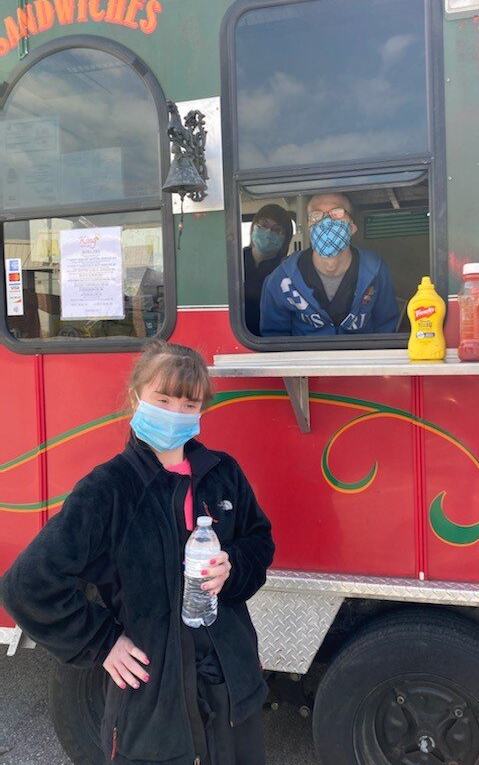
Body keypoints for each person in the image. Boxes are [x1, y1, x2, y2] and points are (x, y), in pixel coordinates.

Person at [1, 340, 274, 765]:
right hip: (152, 703)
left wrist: (233, 566)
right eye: (162, 400)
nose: (175, 413)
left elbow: (260, 541)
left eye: (188, 404)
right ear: (136, 398)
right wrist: (102, 641)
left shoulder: (223, 474)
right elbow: (26, 585)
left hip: (231, 687)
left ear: (202, 409)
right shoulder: (109, 489)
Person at [260, 193, 400, 336]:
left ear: (351, 228)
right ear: (309, 229)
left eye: (336, 213)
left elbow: (386, 327)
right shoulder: (281, 278)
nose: (325, 221)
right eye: (316, 215)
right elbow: (274, 337)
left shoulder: (376, 270)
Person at [243, 204, 293, 336]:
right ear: (253, 226)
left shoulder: (287, 271)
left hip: (270, 342)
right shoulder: (233, 260)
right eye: (264, 225)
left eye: (277, 230)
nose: (268, 232)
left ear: (285, 239)